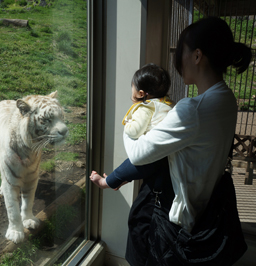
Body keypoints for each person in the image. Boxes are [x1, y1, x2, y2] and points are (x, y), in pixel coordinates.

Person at [95, 16, 252, 266]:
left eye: (182, 52)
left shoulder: (192, 109)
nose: (178, 61)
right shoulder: (226, 98)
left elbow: (138, 155)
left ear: (197, 56)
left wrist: (129, 126)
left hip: (174, 217)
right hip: (204, 207)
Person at [90, 63, 174, 190]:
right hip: (167, 155)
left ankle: (105, 182)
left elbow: (135, 131)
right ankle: (118, 181)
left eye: (132, 86)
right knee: (135, 170)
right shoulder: (167, 104)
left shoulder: (145, 108)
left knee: (130, 165)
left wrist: (128, 125)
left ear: (141, 93)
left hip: (152, 156)